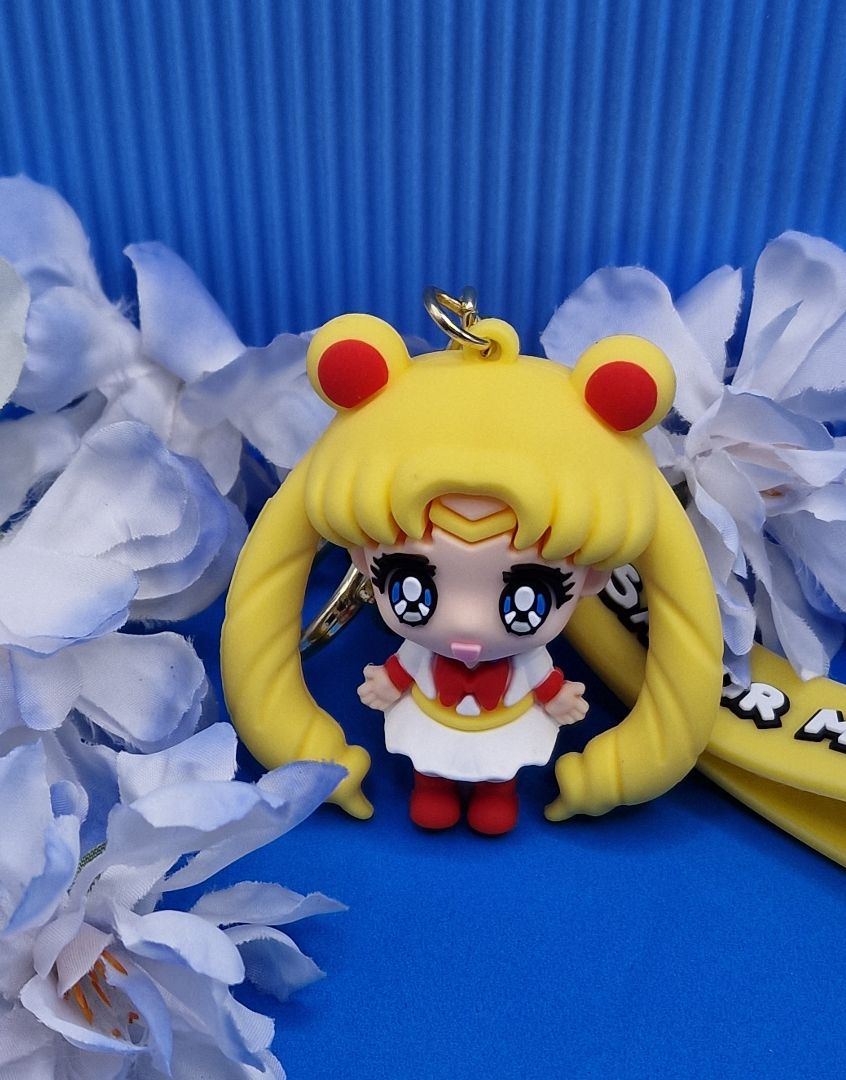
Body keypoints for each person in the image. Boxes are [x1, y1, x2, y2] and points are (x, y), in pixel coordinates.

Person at [221, 311, 723, 833]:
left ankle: (492, 798)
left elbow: (547, 682)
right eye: (413, 589)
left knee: (497, 782)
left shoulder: (526, 656)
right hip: (431, 719)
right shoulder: (422, 652)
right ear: (363, 561)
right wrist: (298, 737)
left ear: (592, 578)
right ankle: (435, 791)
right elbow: (400, 671)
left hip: (505, 723)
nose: (467, 627)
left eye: (526, 598)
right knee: (431, 776)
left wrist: (627, 763)